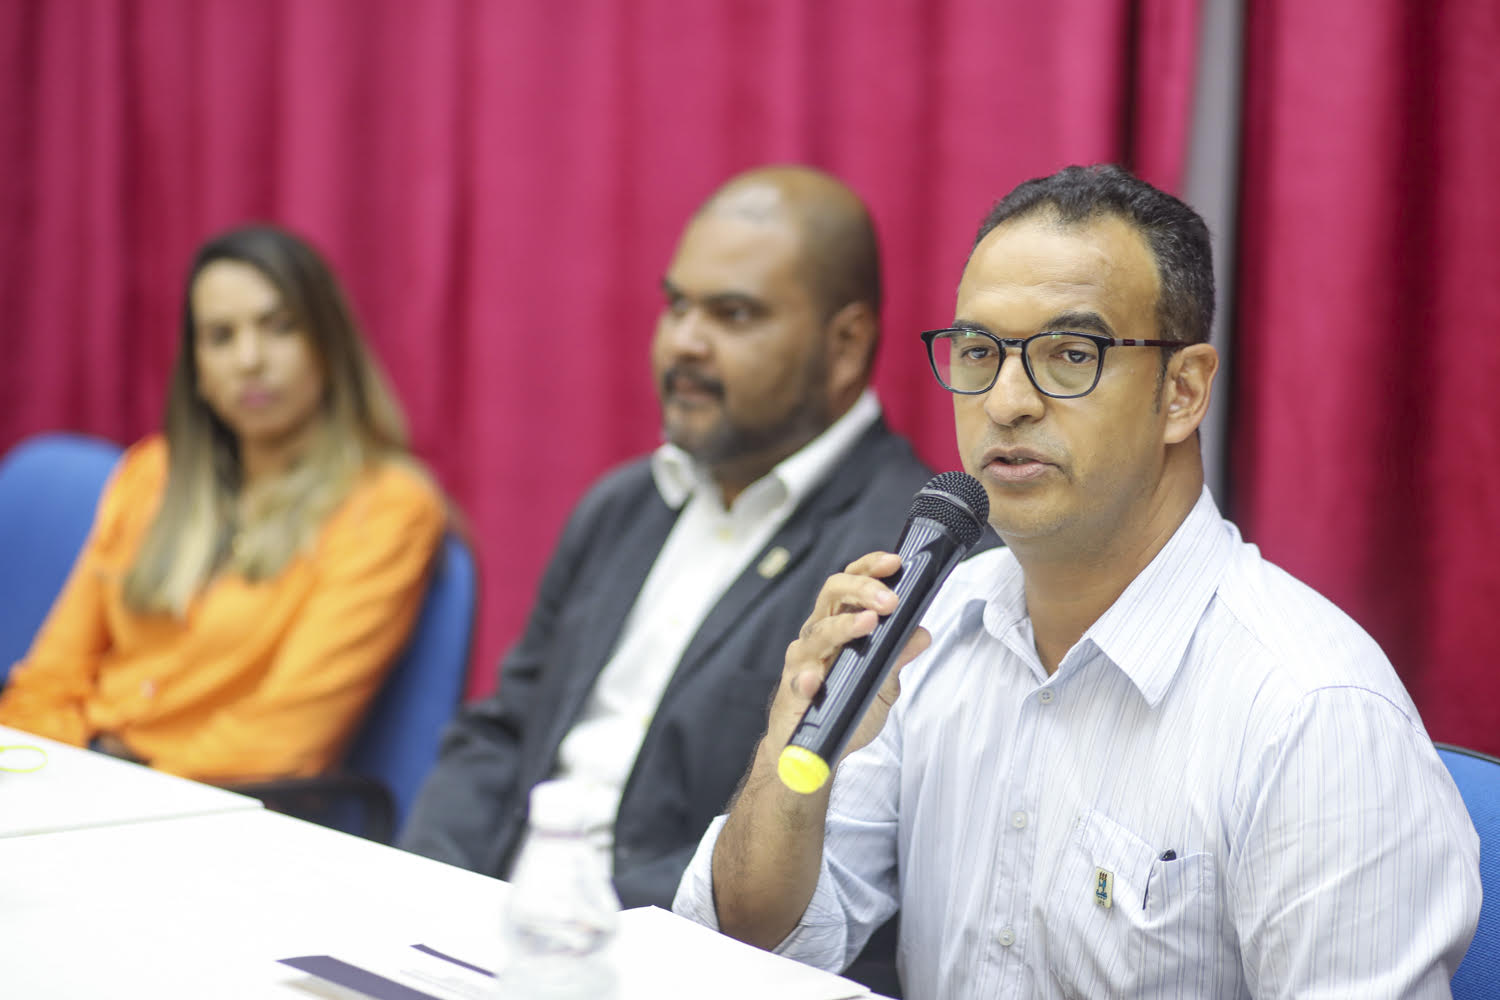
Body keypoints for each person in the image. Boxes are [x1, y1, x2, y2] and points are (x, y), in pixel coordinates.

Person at [674, 165, 1482, 998]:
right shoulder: (934, 618)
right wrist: (791, 747)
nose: (1007, 401)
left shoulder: (1312, 712)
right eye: (981, 351)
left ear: (1183, 391)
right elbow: (747, 947)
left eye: (1070, 354)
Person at [399, 166, 940, 917]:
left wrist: (569, 932)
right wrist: (421, 897)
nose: (685, 342)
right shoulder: (623, 505)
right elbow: (504, 733)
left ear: (846, 344)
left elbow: (834, 854)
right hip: (492, 932)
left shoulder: (901, 557)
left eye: (734, 314)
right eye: (678, 305)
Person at [0, 224, 446, 784]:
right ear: (198, 371)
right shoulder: (152, 474)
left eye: (279, 328)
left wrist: (113, 785)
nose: (250, 360)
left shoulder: (386, 507)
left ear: (329, 347)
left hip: (203, 808)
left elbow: (281, 740)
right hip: (75, 776)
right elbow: (49, 678)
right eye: (220, 337)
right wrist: (45, 771)